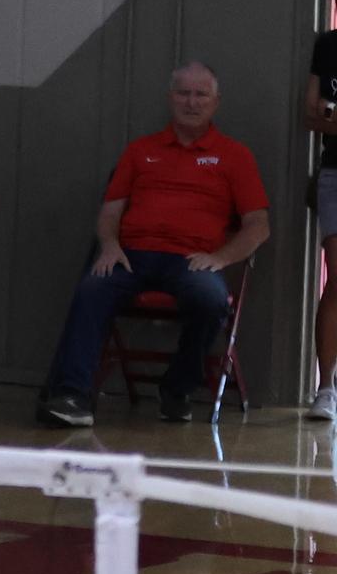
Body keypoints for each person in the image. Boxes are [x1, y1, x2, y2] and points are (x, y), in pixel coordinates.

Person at [41, 63, 269, 427]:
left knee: (211, 302)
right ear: (170, 98)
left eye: (201, 95)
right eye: (183, 93)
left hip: (192, 260)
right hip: (132, 255)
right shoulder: (140, 150)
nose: (191, 102)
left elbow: (259, 226)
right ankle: (73, 396)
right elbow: (110, 211)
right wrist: (109, 244)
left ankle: (177, 390)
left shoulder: (235, 156)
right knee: (93, 289)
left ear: (216, 102)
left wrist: (221, 258)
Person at [303, 16, 337, 418]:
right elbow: (311, 116)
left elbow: (326, 112)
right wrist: (326, 114)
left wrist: (332, 113)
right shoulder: (327, 46)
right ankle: (325, 387)